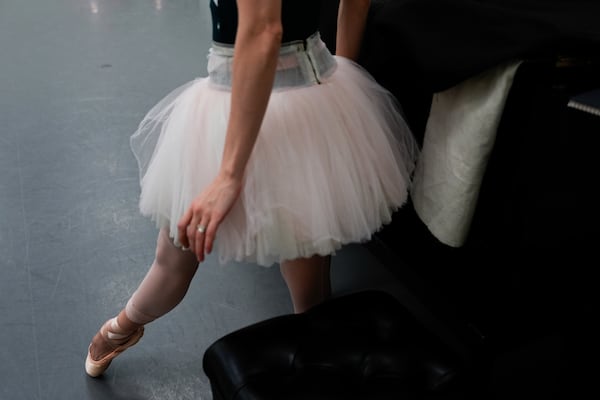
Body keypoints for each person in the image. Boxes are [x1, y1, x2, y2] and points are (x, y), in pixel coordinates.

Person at [85, 0, 418, 378]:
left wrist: (229, 175)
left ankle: (120, 328)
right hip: (307, 96)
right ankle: (122, 329)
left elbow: (263, 32)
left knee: (177, 258)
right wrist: (337, 93)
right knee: (305, 286)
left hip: (244, 106)